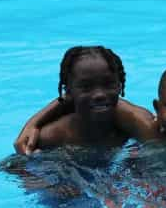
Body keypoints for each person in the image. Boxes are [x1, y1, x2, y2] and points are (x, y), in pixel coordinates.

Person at [22, 45, 153, 150]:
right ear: (68, 92)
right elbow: (16, 166)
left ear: (120, 86)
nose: (99, 94)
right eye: (86, 87)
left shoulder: (136, 122)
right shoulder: (53, 136)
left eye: (108, 84)